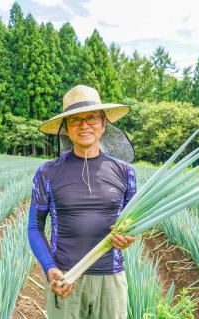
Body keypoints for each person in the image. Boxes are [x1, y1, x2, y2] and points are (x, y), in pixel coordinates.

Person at [28, 84, 137, 319]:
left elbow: (136, 223)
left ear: (104, 123)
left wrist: (129, 238)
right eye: (75, 120)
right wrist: (50, 268)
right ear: (66, 128)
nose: (84, 125)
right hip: (66, 278)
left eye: (91, 118)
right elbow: (34, 227)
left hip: (110, 279)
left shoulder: (125, 172)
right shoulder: (47, 172)